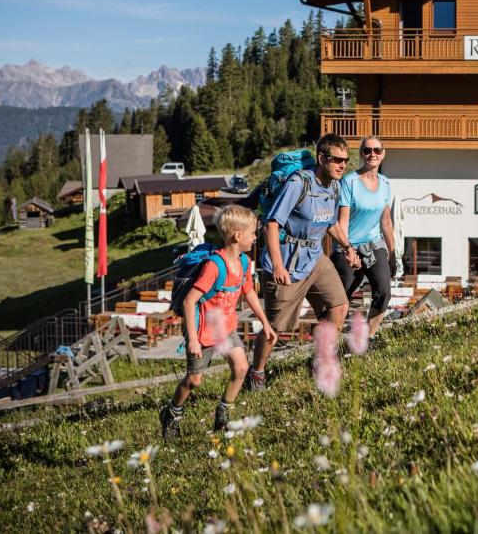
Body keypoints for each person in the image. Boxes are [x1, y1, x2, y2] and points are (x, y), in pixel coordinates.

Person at [244, 134, 361, 391]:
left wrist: (348, 247)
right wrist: (276, 265)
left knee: (339, 306)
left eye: (346, 160)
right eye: (337, 160)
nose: (342, 165)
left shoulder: (333, 186)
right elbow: (272, 224)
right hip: (286, 261)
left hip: (315, 258)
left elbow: (329, 222)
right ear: (321, 158)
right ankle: (257, 373)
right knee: (275, 328)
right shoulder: (298, 184)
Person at [159, 205, 275, 440]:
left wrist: (266, 323)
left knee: (242, 368)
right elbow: (189, 302)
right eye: (253, 233)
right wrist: (192, 340)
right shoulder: (214, 266)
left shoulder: (243, 262)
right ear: (237, 236)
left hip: (226, 329)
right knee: (194, 381)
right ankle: (172, 412)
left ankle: (223, 414)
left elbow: (249, 293)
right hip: (201, 333)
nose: (256, 237)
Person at [331, 136, 395, 342]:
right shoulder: (349, 182)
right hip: (347, 245)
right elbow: (342, 223)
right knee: (341, 301)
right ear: (361, 154)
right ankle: (329, 347)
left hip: (374, 244)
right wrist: (348, 250)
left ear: (383, 153)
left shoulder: (385, 184)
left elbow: (386, 222)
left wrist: (392, 253)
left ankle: (367, 339)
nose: (372, 154)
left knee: (384, 291)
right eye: (367, 150)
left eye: (377, 150)